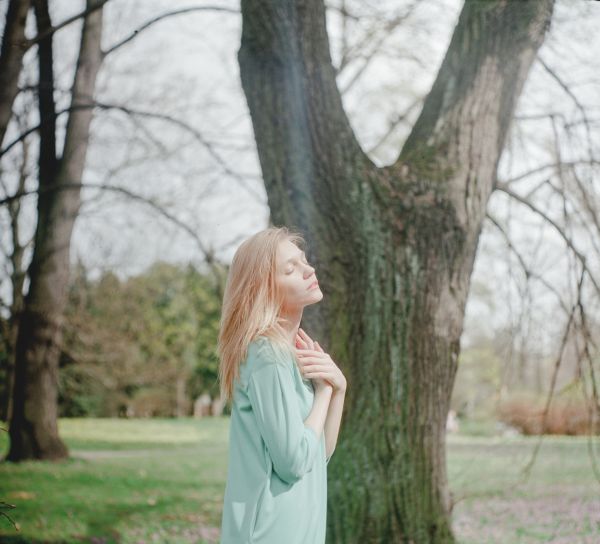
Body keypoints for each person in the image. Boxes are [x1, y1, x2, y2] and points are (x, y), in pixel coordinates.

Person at [218, 226, 347, 543]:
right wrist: (323, 393)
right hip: (271, 532)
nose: (309, 270)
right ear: (264, 288)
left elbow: (317, 454)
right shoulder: (267, 354)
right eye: (291, 268)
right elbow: (293, 462)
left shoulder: (287, 354)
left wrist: (337, 389)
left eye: (304, 261)